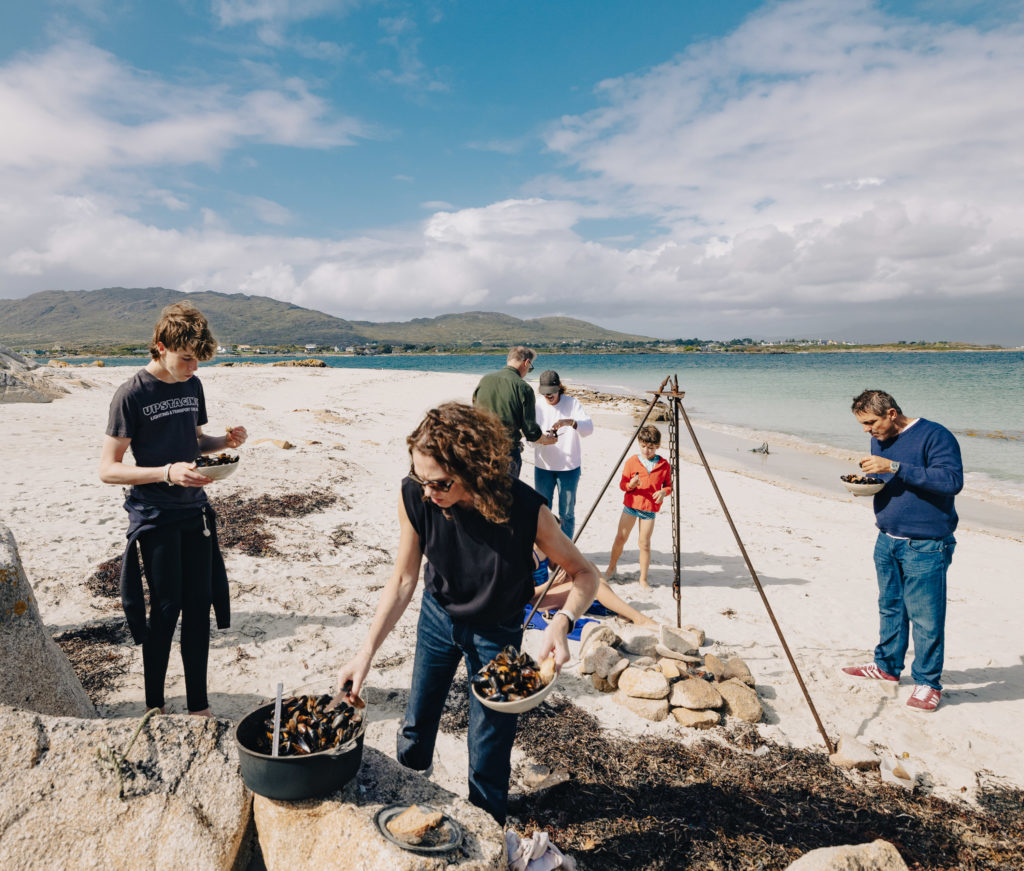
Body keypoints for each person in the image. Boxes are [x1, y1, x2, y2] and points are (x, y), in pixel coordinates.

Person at [334, 402, 597, 823]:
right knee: (416, 726)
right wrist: (366, 652)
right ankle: (409, 804)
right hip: (438, 619)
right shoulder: (415, 496)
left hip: (497, 633)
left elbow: (585, 574)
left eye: (437, 483)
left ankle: (488, 829)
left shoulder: (525, 509)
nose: (426, 491)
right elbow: (403, 581)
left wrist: (563, 621)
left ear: (473, 469)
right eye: (420, 479)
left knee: (488, 749)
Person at [99, 302, 247, 716]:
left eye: (198, 360)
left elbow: (194, 444)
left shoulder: (192, 386)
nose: (193, 368)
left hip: (194, 510)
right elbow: (108, 470)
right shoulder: (131, 394)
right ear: (160, 347)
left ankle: (198, 707)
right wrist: (166, 473)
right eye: (186, 359)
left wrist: (225, 442)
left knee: (199, 608)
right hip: (155, 516)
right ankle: (154, 706)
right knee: (165, 610)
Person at [842, 389, 962, 713]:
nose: (867, 431)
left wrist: (894, 466)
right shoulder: (879, 439)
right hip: (887, 538)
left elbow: (951, 482)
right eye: (863, 425)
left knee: (926, 617)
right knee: (890, 606)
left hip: (926, 544)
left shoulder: (935, 436)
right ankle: (886, 666)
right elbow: (888, 479)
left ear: (891, 414)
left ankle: (927, 683)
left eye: (871, 423)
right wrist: (867, 483)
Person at [473, 346, 555, 478]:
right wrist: (546, 439)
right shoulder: (523, 388)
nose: (528, 371)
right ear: (526, 362)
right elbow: (531, 431)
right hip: (507, 452)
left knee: (484, 494)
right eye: (530, 368)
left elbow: (474, 413)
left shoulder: (485, 380)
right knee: (506, 496)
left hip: (481, 449)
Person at [606, 425, 672, 589]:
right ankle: (611, 568)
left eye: (650, 447)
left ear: (657, 446)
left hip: (649, 508)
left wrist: (664, 492)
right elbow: (623, 485)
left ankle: (643, 578)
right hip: (631, 505)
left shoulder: (663, 465)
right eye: (643, 446)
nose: (647, 450)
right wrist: (631, 484)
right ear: (639, 443)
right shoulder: (632, 462)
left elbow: (669, 486)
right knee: (621, 537)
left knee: (644, 543)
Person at [531, 543, 657, 627]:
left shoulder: (545, 546)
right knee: (591, 583)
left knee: (589, 567)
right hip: (535, 599)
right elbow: (521, 593)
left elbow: (556, 566)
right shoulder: (527, 554)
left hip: (549, 589)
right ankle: (639, 618)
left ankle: (619, 609)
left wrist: (566, 565)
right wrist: (551, 584)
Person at [533, 370, 593, 540]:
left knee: (566, 513)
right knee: (543, 511)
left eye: (551, 392)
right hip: (543, 467)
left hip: (569, 468)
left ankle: (566, 551)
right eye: (544, 392)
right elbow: (530, 437)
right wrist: (543, 440)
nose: (548, 396)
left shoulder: (572, 404)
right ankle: (546, 551)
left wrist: (570, 422)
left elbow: (588, 429)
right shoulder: (537, 405)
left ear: (559, 388)